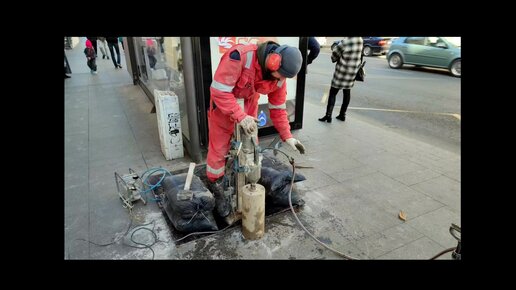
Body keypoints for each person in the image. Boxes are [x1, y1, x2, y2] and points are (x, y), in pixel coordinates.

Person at [207, 41, 306, 217]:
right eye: (280, 75)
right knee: (219, 150)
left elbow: (277, 109)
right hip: (223, 108)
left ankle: (247, 182)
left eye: (283, 78)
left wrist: (287, 136)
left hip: (248, 107)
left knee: (250, 149)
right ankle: (216, 185)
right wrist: (239, 116)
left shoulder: (278, 78)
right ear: (273, 61)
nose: (280, 81)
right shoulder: (240, 56)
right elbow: (219, 92)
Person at [318, 37, 363, 123]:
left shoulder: (344, 42)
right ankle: (342, 115)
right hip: (352, 72)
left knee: (333, 93)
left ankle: (328, 116)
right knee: (347, 92)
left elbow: (333, 57)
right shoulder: (360, 40)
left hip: (341, 72)